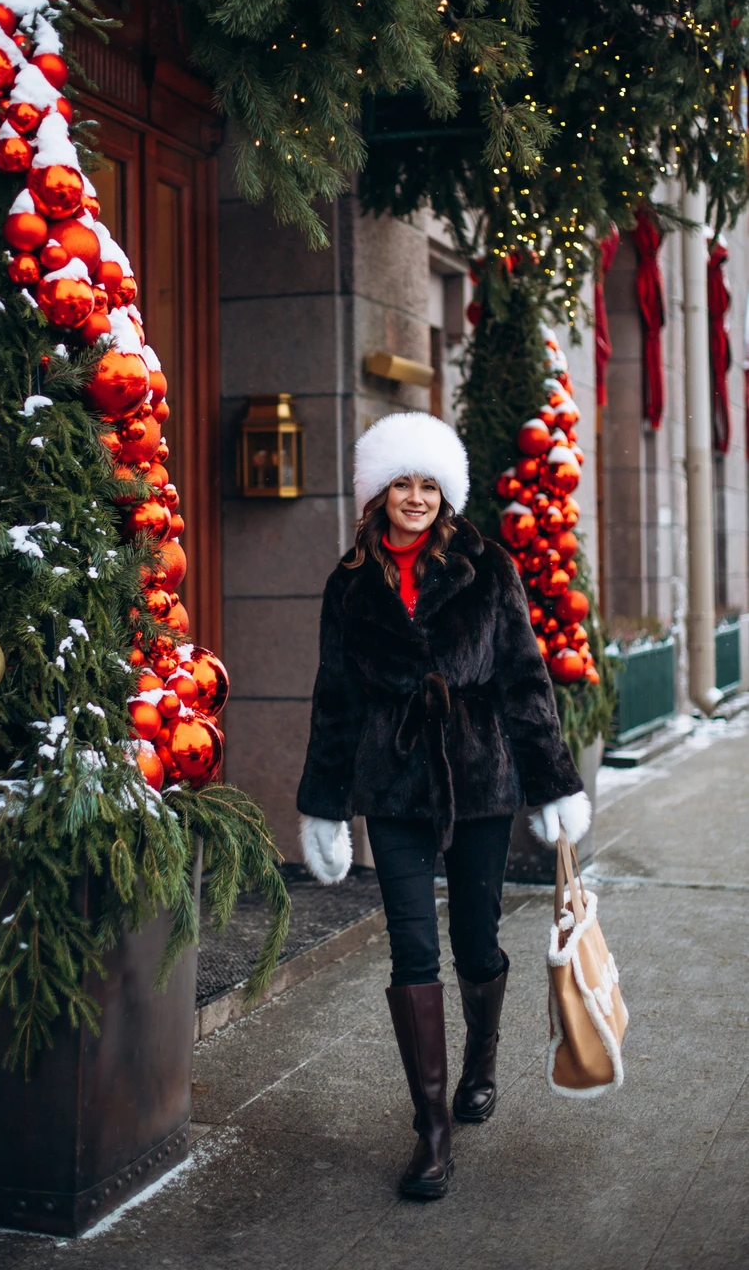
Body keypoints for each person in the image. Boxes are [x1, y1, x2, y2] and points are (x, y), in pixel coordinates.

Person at [296, 412, 589, 1200]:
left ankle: (482, 1060)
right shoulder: (349, 581)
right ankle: (431, 1132)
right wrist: (322, 808)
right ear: (377, 493)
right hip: (391, 786)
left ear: (445, 493)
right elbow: (333, 699)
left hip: (480, 780)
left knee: (473, 939)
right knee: (411, 950)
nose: (415, 497)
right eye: (401, 482)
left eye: (428, 484)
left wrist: (554, 782)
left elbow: (525, 682)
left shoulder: (486, 567)